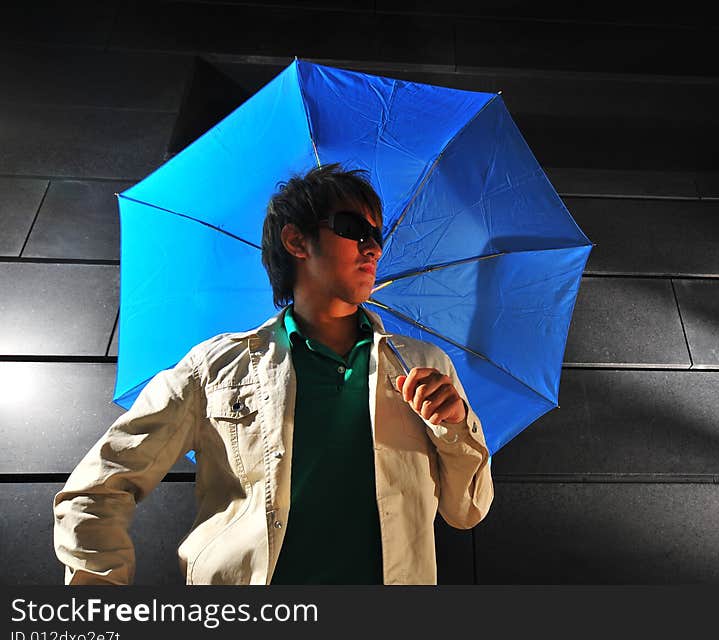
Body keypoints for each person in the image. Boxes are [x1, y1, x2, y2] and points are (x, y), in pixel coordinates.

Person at [53, 163, 493, 585]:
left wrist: (454, 429)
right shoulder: (214, 368)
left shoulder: (424, 364)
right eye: (353, 228)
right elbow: (97, 487)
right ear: (296, 241)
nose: (373, 247)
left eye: (376, 235)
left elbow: (467, 510)